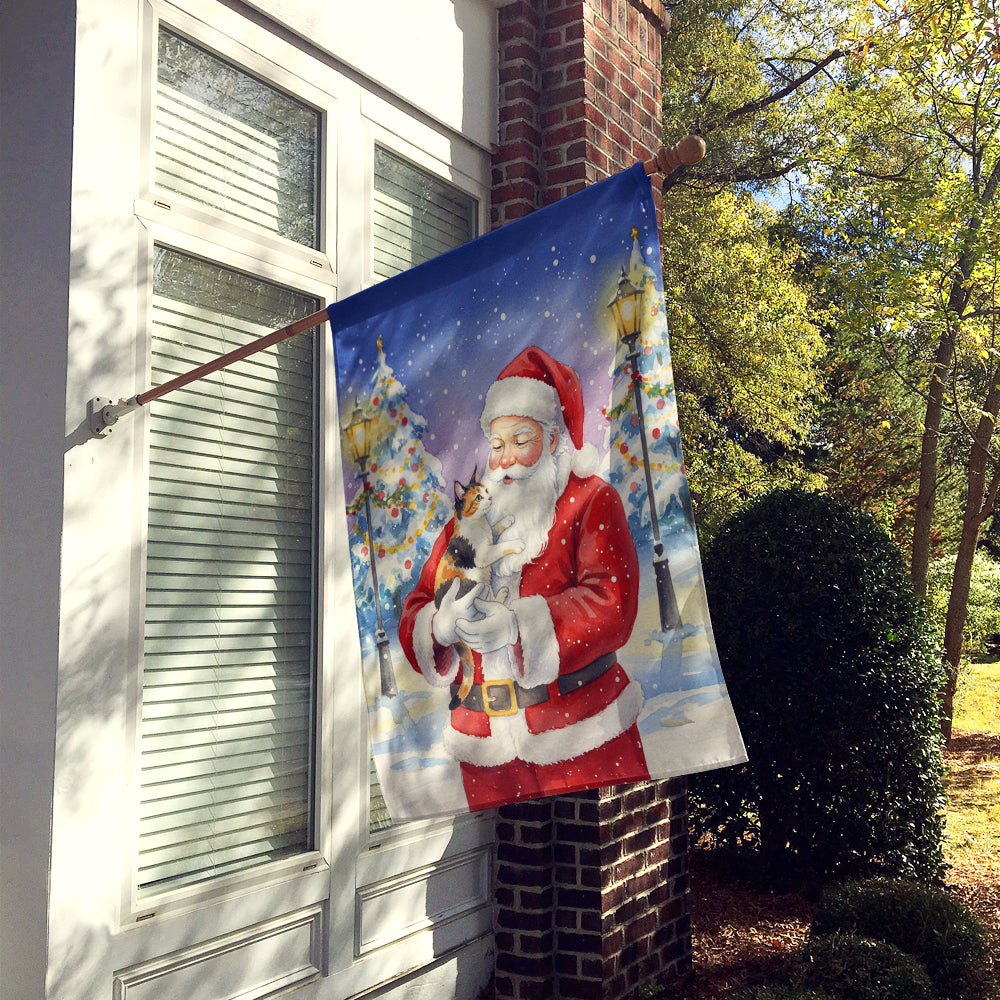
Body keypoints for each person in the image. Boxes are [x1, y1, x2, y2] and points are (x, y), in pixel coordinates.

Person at [398, 345, 649, 810]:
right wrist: (438, 625)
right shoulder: (467, 524)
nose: (506, 459)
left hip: (583, 731)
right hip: (484, 746)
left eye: (521, 440)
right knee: (509, 873)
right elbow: (418, 604)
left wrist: (518, 626)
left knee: (586, 868)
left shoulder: (592, 500)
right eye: (497, 445)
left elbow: (613, 602)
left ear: (552, 440)